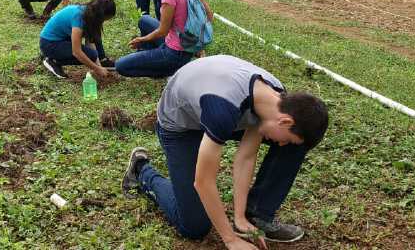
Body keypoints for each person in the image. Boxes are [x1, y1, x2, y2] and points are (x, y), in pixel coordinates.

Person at [122, 55, 329, 249]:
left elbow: (246, 156)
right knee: (194, 226)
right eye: (287, 138)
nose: (281, 145)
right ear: (285, 121)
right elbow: (203, 182)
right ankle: (142, 171)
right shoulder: (222, 109)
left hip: (220, 108)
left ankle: (257, 215)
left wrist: (239, 219)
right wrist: (230, 239)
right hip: (180, 126)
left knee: (297, 145)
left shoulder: (275, 99)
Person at [40, 0, 116, 79]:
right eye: (105, 19)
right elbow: (76, 52)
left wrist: (98, 64)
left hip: (63, 39)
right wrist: (97, 68)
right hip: (49, 43)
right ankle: (53, 60)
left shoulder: (89, 13)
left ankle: (101, 61)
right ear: (100, 15)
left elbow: (90, 42)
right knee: (90, 55)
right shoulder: (79, 18)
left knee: (92, 52)